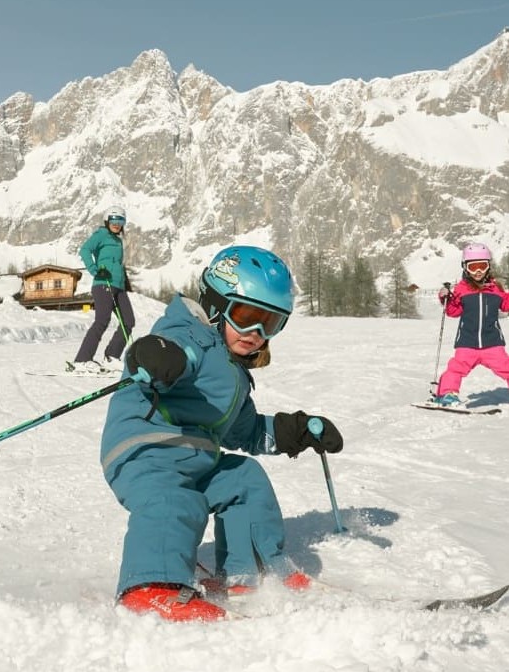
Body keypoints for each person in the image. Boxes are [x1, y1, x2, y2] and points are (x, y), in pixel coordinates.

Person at [99, 245, 344, 622]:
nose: (256, 333)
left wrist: (293, 431)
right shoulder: (189, 336)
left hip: (195, 458)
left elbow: (245, 432)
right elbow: (168, 352)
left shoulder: (233, 373)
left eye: (270, 323)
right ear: (215, 305)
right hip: (147, 453)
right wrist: (156, 356)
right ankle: (150, 587)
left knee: (245, 478)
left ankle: (248, 572)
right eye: (246, 317)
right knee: (176, 501)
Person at [432, 242, 509, 406]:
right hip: (467, 343)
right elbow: (453, 312)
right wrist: (446, 299)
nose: (478, 271)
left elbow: (505, 304)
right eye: (473, 267)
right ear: (465, 267)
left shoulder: (495, 288)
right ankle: (446, 394)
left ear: (488, 266)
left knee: (506, 367)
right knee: (456, 369)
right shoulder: (461, 289)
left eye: (482, 266)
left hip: (492, 342)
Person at [70, 207, 136, 373]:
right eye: (113, 220)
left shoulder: (117, 240)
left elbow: (117, 264)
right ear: (107, 221)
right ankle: (82, 360)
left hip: (119, 287)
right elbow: (85, 250)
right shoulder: (101, 235)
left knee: (128, 321)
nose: (116, 224)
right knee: (102, 321)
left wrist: (124, 283)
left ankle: (111, 357)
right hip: (103, 284)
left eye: (120, 220)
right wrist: (95, 270)